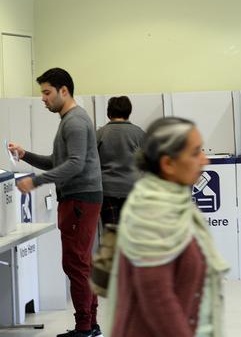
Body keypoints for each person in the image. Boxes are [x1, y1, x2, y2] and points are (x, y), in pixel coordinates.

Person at [106, 117, 229, 337]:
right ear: (168, 164)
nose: (204, 160)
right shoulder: (151, 211)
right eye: (195, 153)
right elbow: (157, 297)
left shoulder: (175, 203)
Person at [10, 68, 104, 337]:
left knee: (75, 264)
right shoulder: (71, 120)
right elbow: (58, 161)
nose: (43, 99)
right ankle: (91, 324)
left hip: (79, 199)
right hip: (80, 199)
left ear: (64, 90)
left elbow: (74, 165)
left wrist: (36, 182)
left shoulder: (74, 122)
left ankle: (84, 326)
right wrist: (25, 154)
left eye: (47, 92)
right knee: (82, 263)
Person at [96, 96, 145, 226]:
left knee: (112, 236)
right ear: (128, 112)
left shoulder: (99, 134)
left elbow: (90, 163)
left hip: (107, 191)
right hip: (133, 191)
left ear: (108, 113)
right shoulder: (139, 134)